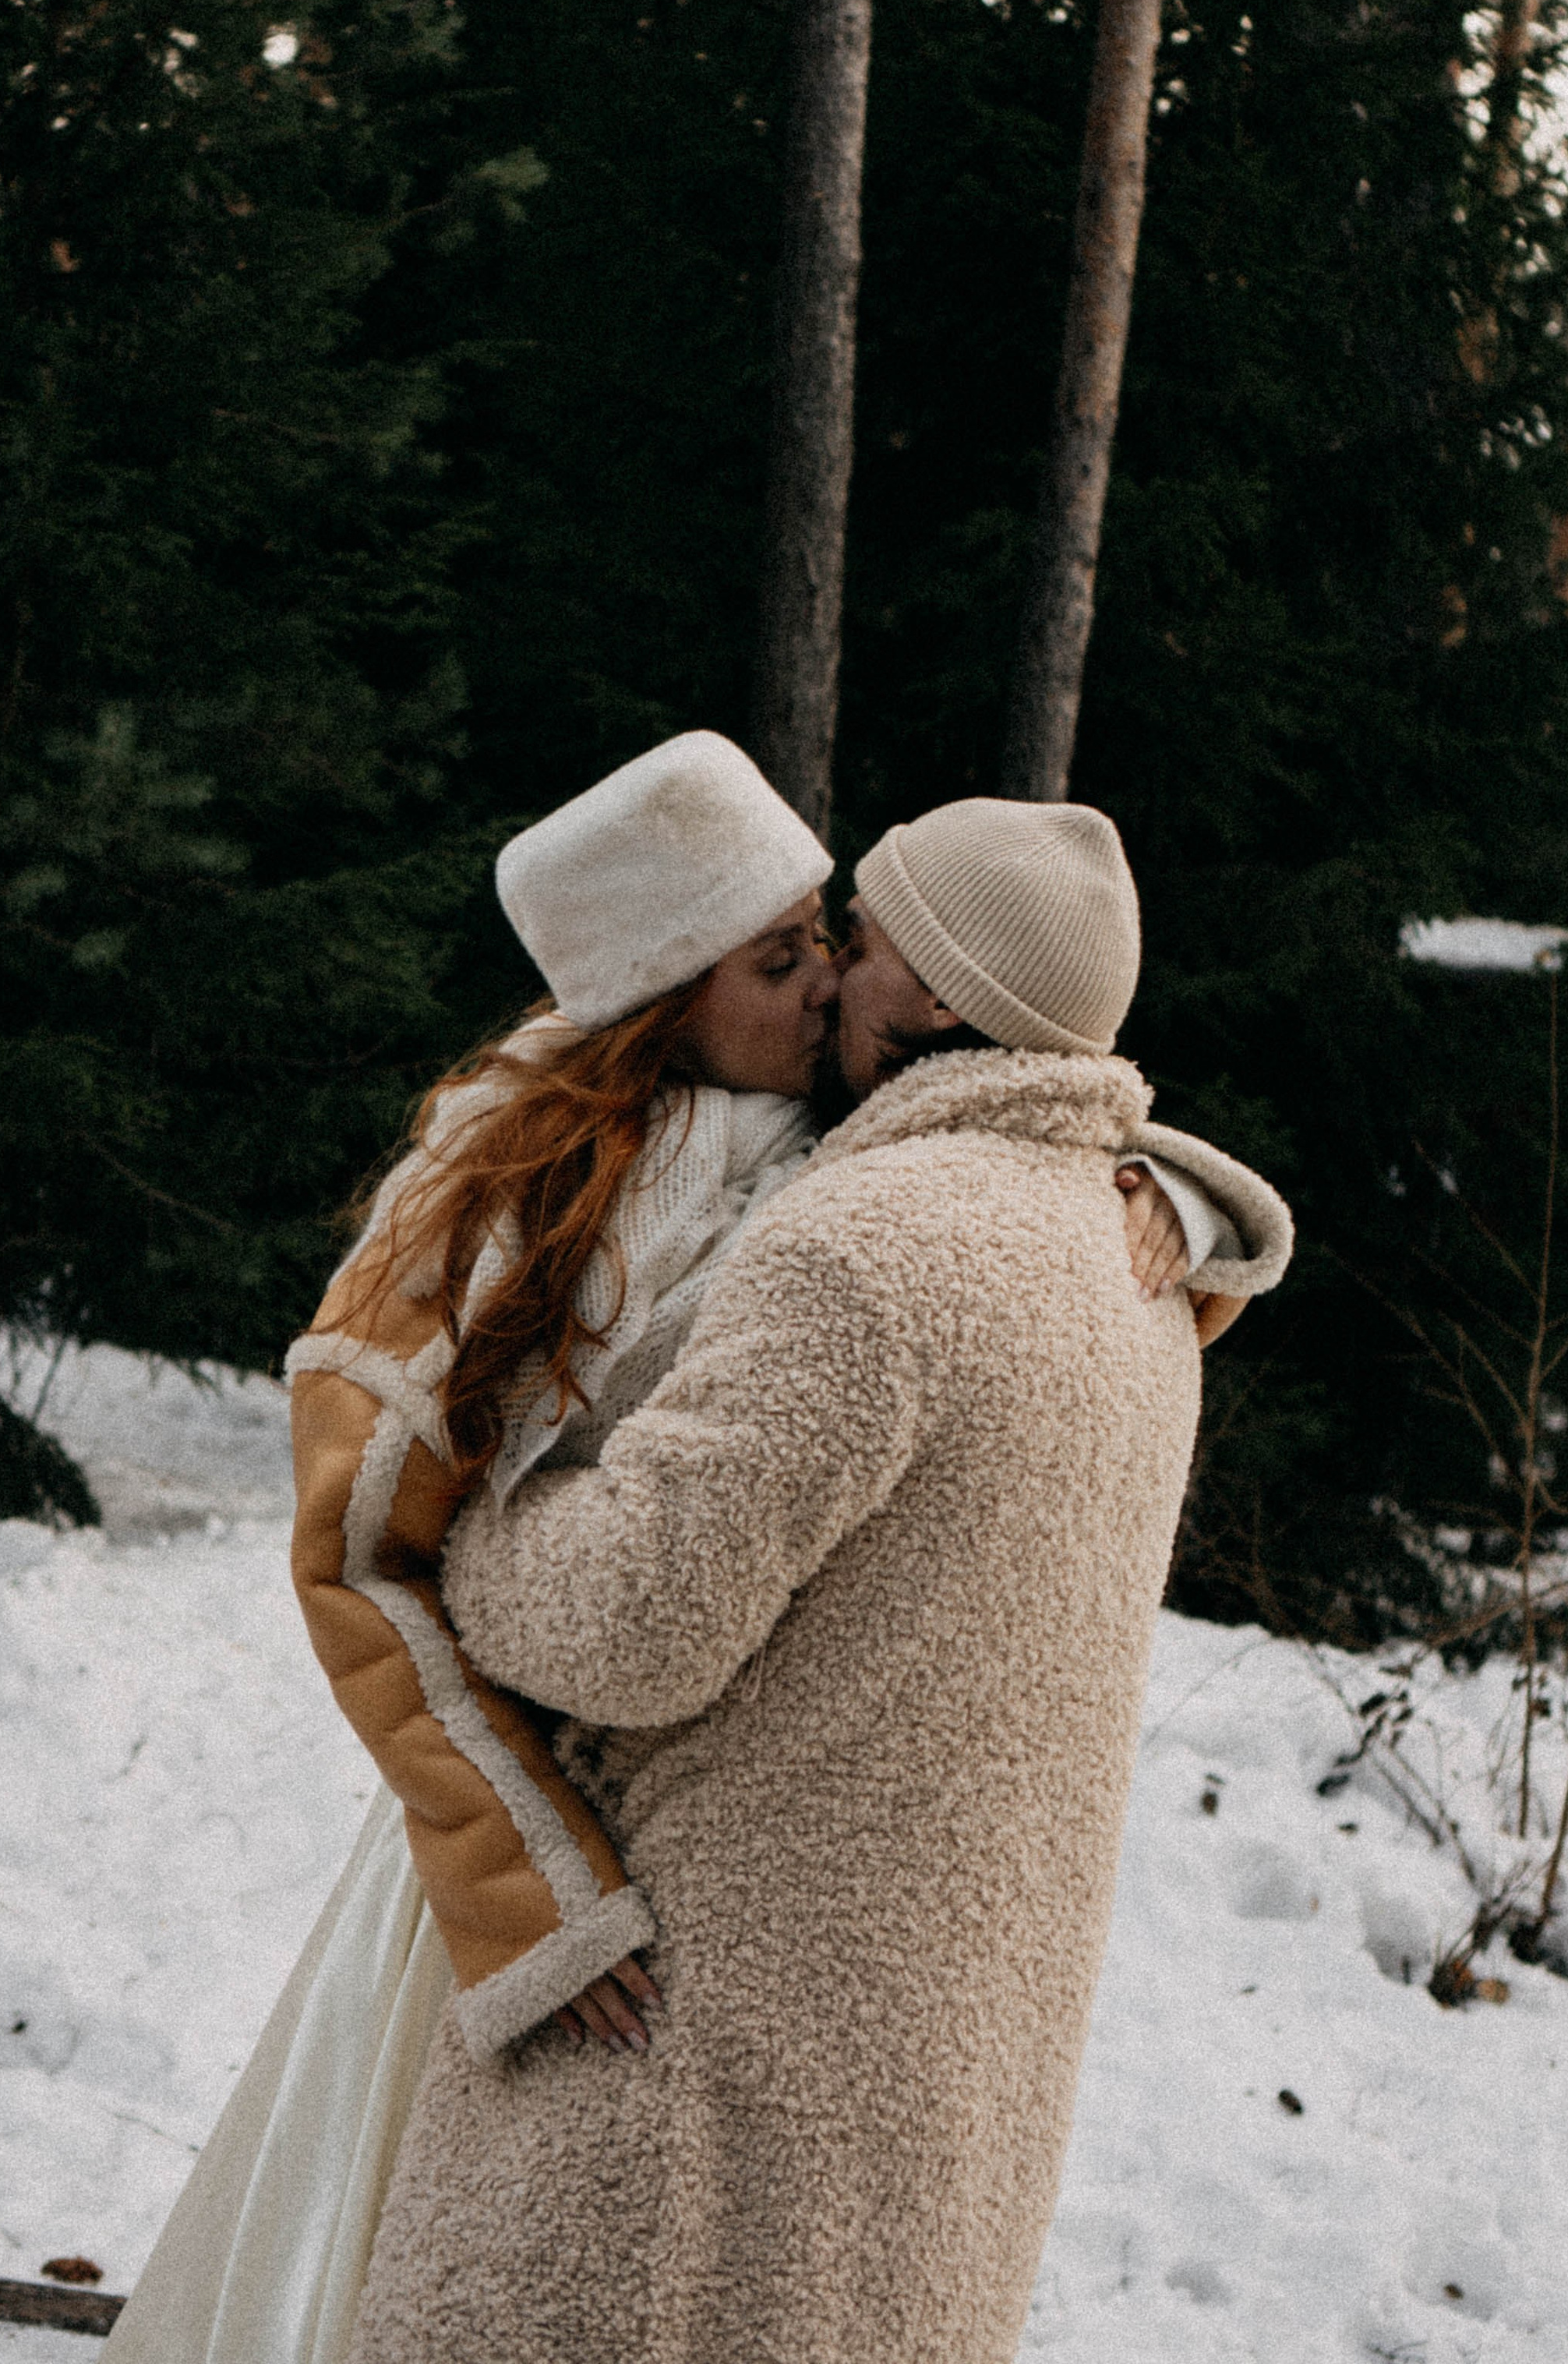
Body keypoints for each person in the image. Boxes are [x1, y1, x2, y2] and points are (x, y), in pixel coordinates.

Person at [103, 737, 1269, 2364]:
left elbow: (1003, 1170)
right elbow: (365, 1563)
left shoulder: (847, 1176)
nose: (818, 985)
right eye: (780, 953)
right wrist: (528, 1897)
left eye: (833, 942)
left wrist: (1190, 1198)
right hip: (516, 1845)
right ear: (658, 989)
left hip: (705, 1926)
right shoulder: (503, 1193)